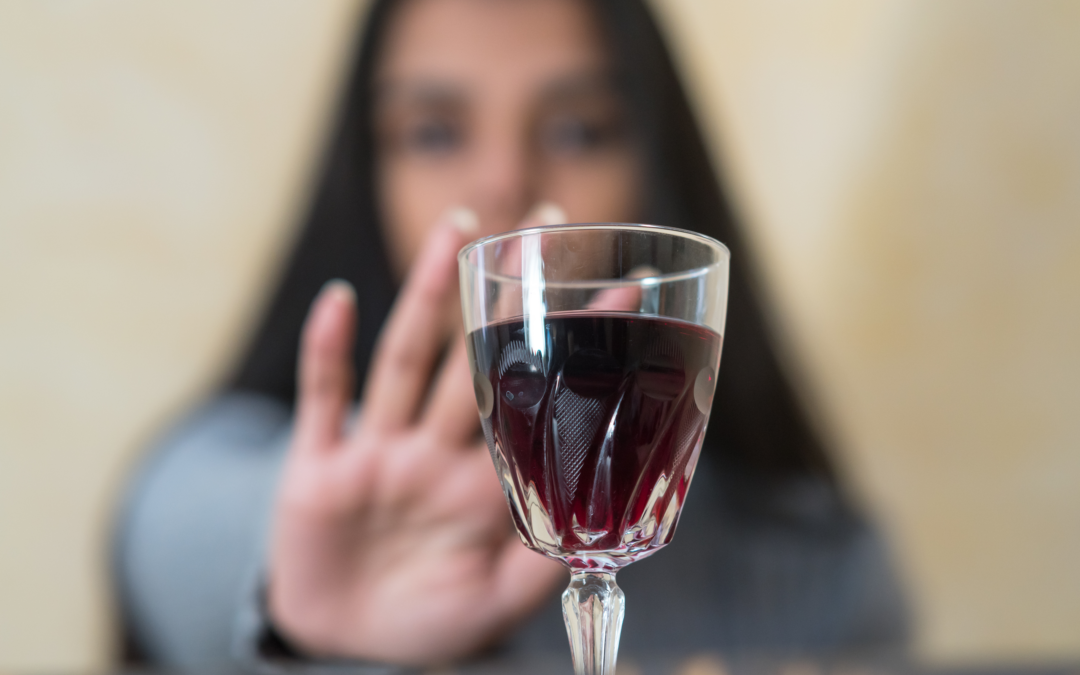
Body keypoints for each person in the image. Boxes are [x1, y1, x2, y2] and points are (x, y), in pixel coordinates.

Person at [113, 0, 909, 670]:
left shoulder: (817, 574)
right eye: (435, 132)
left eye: (578, 131)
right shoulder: (205, 480)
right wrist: (303, 611)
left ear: (658, 163)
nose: (503, 181)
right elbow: (174, 532)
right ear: (366, 175)